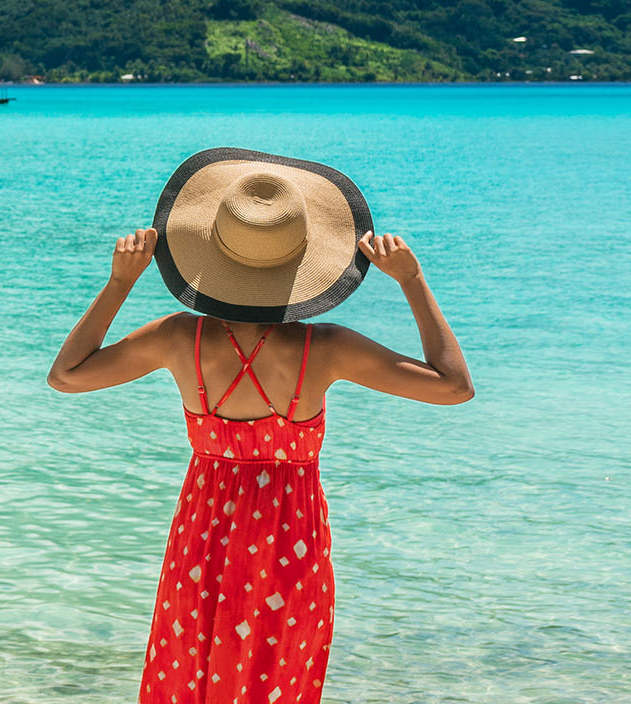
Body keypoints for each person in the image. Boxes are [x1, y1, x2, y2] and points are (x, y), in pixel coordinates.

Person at [46, 148, 474, 703]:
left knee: (191, 676)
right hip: (289, 552)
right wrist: (412, 280)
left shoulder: (179, 338)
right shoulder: (326, 349)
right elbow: (454, 386)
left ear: (211, 252)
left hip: (201, 546)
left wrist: (119, 283)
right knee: (275, 681)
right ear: (302, 264)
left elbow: (66, 376)